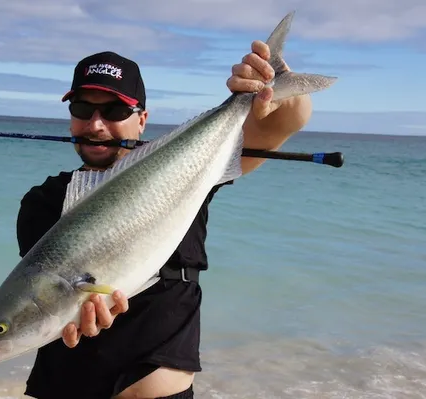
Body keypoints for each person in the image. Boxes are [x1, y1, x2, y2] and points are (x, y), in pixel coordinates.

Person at [17, 41, 312, 399]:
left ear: (141, 120)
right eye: (82, 108)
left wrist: (270, 82)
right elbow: (38, 301)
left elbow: (282, 124)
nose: (96, 124)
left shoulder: (187, 175)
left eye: (113, 110)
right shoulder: (42, 201)